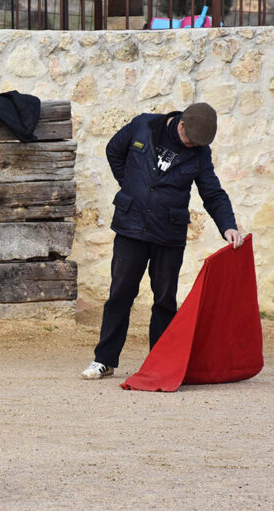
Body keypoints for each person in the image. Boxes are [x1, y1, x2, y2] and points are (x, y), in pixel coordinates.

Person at [81, 102, 244, 380]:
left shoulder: (200, 153)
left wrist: (228, 226)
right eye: (190, 140)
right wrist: (130, 186)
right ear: (181, 124)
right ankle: (104, 360)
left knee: (165, 299)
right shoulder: (143, 125)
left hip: (169, 233)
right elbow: (113, 151)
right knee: (120, 293)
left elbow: (213, 193)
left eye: (198, 144)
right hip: (131, 227)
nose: (193, 146)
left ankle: (162, 362)